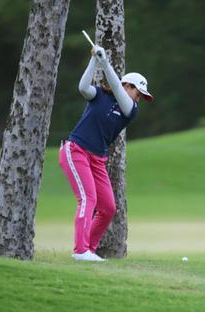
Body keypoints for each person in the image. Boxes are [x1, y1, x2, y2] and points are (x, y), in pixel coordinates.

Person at [59, 45, 153, 261]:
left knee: (108, 208)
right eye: (138, 92)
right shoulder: (99, 95)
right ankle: (80, 251)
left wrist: (106, 64)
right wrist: (95, 61)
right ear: (128, 85)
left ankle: (89, 249)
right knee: (87, 199)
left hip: (97, 159)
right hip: (76, 151)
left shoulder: (130, 109)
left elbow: (118, 91)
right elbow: (83, 88)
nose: (139, 98)